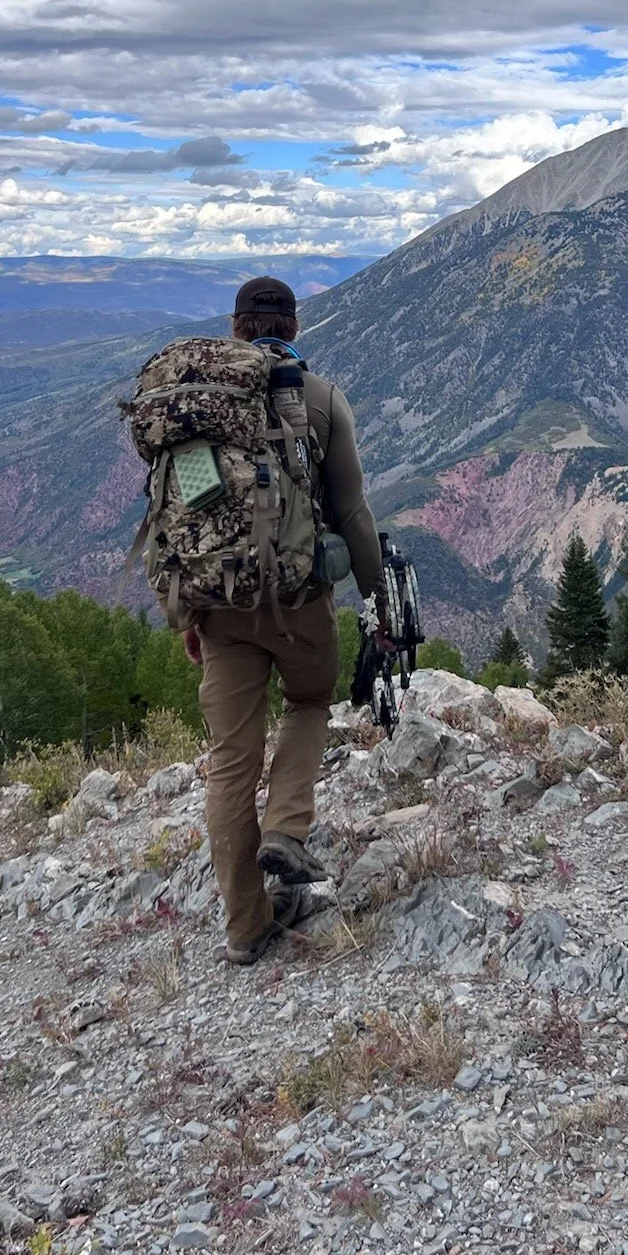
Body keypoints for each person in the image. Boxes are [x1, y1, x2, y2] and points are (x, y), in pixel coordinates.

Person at [184, 275, 387, 965]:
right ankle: (287, 829)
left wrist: (187, 612)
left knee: (230, 764)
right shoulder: (322, 398)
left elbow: (181, 518)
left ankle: (245, 928)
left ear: (236, 326)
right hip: (300, 600)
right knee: (308, 701)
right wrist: (377, 598)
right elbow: (353, 512)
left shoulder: (200, 408)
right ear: (295, 328)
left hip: (219, 607)